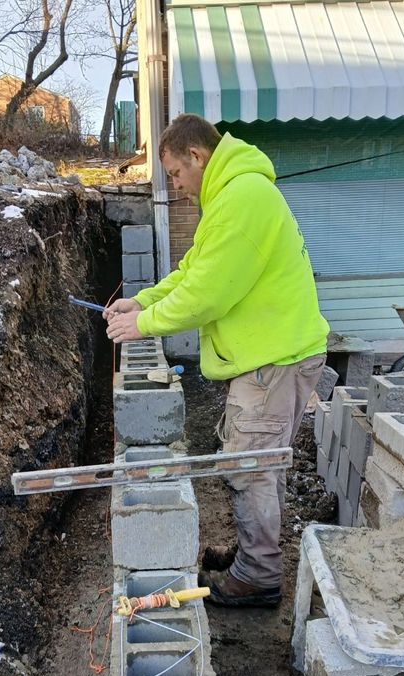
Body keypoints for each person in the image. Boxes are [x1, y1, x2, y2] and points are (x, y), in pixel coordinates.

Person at [105, 114, 328, 608]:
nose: (177, 187)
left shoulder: (243, 198)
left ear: (197, 157)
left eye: (177, 175)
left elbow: (208, 293)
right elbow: (193, 271)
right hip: (266, 356)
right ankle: (255, 553)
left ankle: (258, 578)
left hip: (275, 359)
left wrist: (143, 325)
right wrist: (144, 301)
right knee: (252, 461)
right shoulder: (229, 197)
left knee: (250, 467)